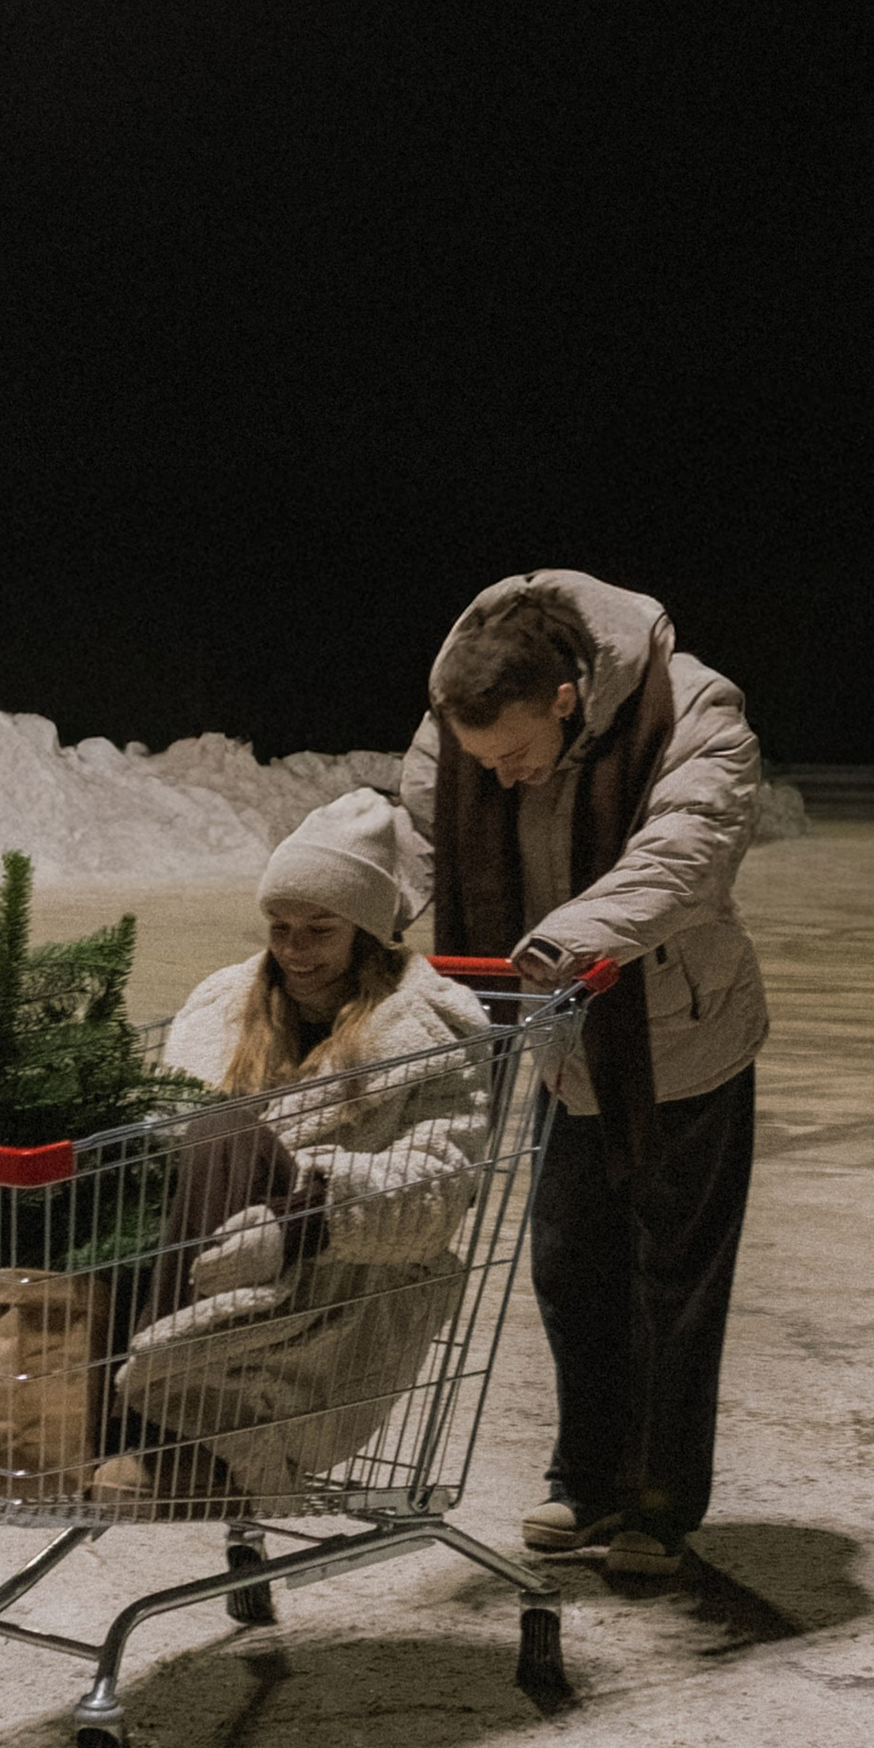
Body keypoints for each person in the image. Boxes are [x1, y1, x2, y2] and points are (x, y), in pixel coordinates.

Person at [400, 569, 767, 1588]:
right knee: (568, 1263)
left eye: (516, 757)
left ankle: (659, 1496)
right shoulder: (456, 725)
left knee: (673, 1278)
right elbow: (417, 843)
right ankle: (586, 1472)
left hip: (680, 1036)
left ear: (565, 699)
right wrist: (330, 916)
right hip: (567, 1044)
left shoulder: (692, 705)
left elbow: (687, 853)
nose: (502, 778)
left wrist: (561, 941)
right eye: (485, 763)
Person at [92, 791, 495, 1513]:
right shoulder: (222, 1008)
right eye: (279, 926)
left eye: (319, 927)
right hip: (201, 1269)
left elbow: (441, 1186)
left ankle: (151, 1426)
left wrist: (303, 1220)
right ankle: (120, 1407)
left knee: (221, 1129)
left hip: (323, 1287)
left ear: (367, 932)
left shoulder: (430, 1032)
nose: (293, 948)